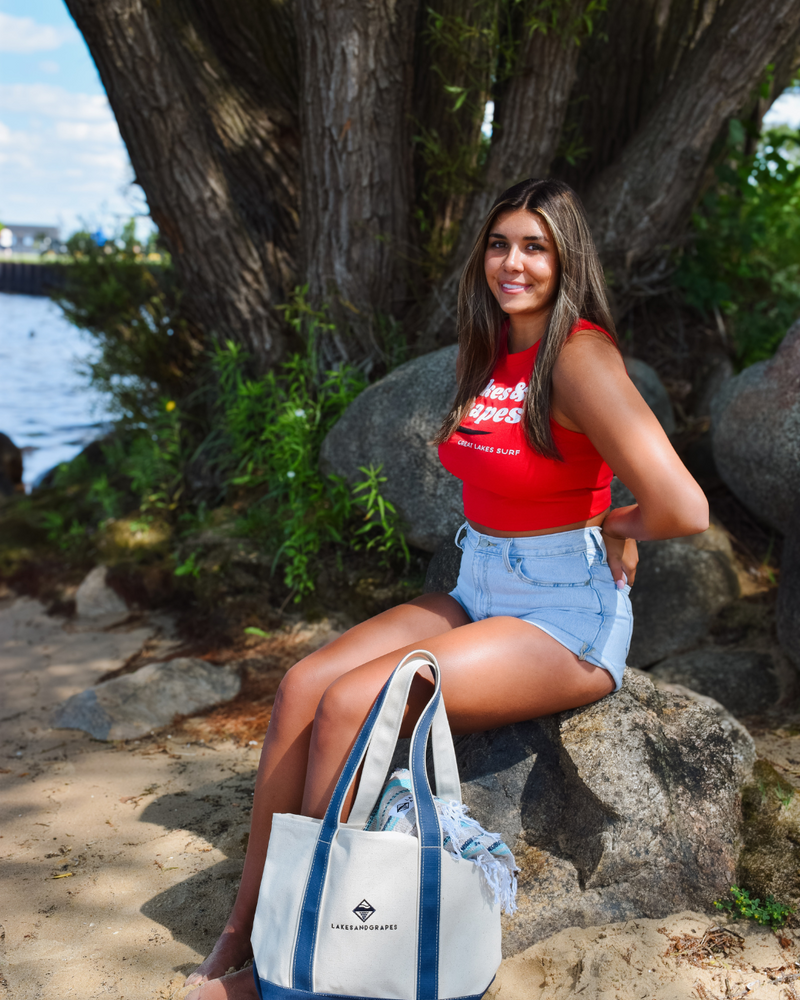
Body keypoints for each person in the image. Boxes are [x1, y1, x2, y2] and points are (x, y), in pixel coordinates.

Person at [185, 178, 708, 999]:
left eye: (535, 246)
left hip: (563, 612)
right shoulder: (493, 346)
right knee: (300, 690)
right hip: (479, 580)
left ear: (567, 258)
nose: (513, 262)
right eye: (500, 243)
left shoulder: (580, 355)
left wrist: (614, 527)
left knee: (355, 702)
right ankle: (246, 928)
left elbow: (683, 506)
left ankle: (296, 963)